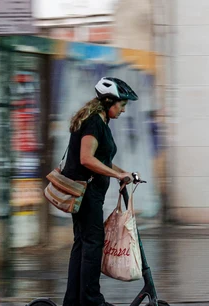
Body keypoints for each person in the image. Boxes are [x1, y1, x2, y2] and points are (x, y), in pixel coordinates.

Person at [61, 77, 139, 306]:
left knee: (83, 243)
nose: (123, 110)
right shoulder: (94, 122)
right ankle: (91, 300)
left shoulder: (99, 121)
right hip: (86, 193)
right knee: (93, 243)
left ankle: (74, 300)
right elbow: (86, 159)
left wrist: (123, 173)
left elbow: (100, 159)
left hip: (88, 192)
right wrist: (116, 175)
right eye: (121, 105)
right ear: (108, 101)